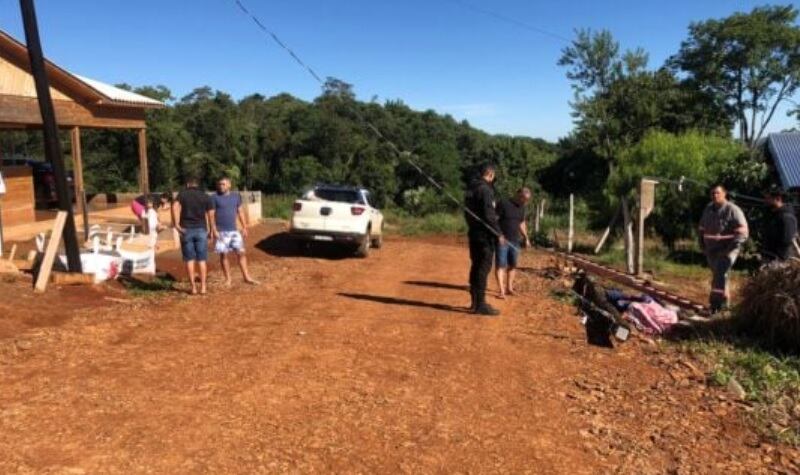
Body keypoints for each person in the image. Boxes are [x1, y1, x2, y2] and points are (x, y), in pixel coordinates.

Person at [698, 185, 749, 313]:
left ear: (724, 194)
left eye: (718, 193)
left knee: (719, 275)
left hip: (727, 250)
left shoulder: (733, 210)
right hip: (711, 250)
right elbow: (702, 228)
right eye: (713, 193)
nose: (715, 195)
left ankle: (715, 305)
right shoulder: (708, 209)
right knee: (719, 276)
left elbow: (743, 232)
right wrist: (702, 244)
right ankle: (725, 304)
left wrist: (729, 249)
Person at [465, 163, 505, 316]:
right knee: (483, 268)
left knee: (476, 267)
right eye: (493, 176)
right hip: (484, 236)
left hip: (473, 233)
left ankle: (475, 302)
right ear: (490, 174)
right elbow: (489, 215)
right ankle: (480, 304)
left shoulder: (471, 189)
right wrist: (498, 233)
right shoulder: (485, 190)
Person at [210, 177, 259, 286]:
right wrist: (213, 230)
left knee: (241, 253)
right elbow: (211, 215)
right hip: (221, 231)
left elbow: (240, 212)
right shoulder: (214, 197)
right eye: (219, 184)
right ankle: (228, 280)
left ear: (229, 185)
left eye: (223, 184)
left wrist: (245, 227)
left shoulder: (236, 197)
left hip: (234, 231)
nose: (221, 186)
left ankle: (246, 277)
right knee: (224, 255)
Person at [172, 176, 213, 295]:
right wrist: (211, 230)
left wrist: (176, 224)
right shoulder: (205, 196)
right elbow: (211, 214)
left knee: (189, 260)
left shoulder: (182, 194)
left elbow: (174, 206)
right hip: (201, 230)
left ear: (188, 184)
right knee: (202, 260)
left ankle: (193, 288)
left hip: (186, 230)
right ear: (197, 185)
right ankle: (204, 287)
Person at [495, 187, 532, 299]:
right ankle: (501, 291)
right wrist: (499, 235)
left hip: (515, 240)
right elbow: (494, 220)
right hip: (502, 240)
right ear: (518, 195)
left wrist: (526, 237)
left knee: (513, 265)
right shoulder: (503, 203)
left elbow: (521, 223)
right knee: (501, 265)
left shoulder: (522, 208)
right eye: (523, 199)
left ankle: (509, 288)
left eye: (527, 200)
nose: (525, 201)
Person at [761, 188, 798, 264]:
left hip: (778, 260)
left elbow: (786, 240)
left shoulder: (786, 217)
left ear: (778, 199)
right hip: (769, 256)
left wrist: (777, 259)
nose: (765, 201)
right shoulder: (773, 214)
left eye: (768, 198)